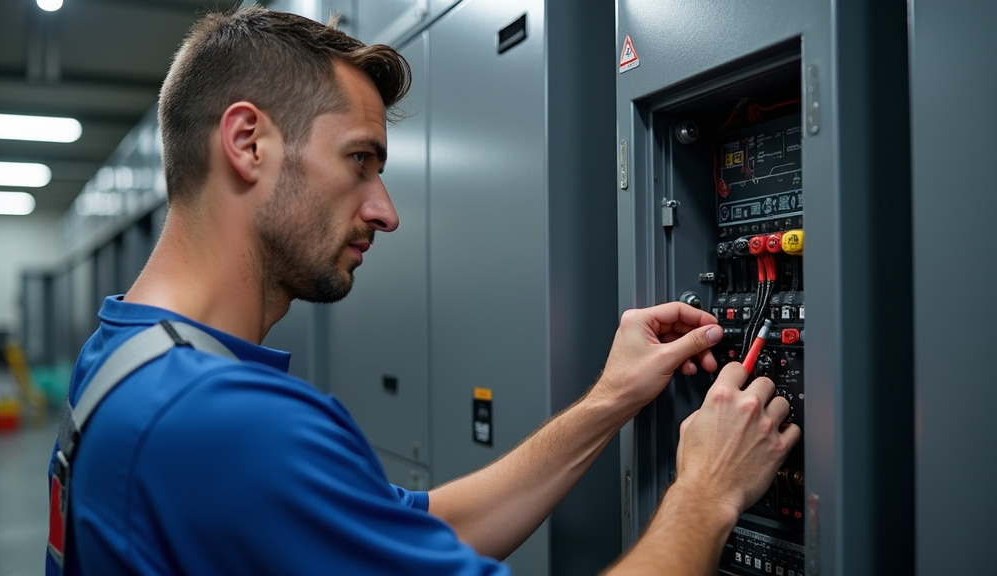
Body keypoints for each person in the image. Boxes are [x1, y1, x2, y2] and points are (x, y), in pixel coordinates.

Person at [46, 6, 800, 575]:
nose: (386, 210)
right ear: (248, 143)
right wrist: (707, 490)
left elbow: (426, 530)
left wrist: (611, 398)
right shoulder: (222, 423)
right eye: (360, 161)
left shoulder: (126, 359)